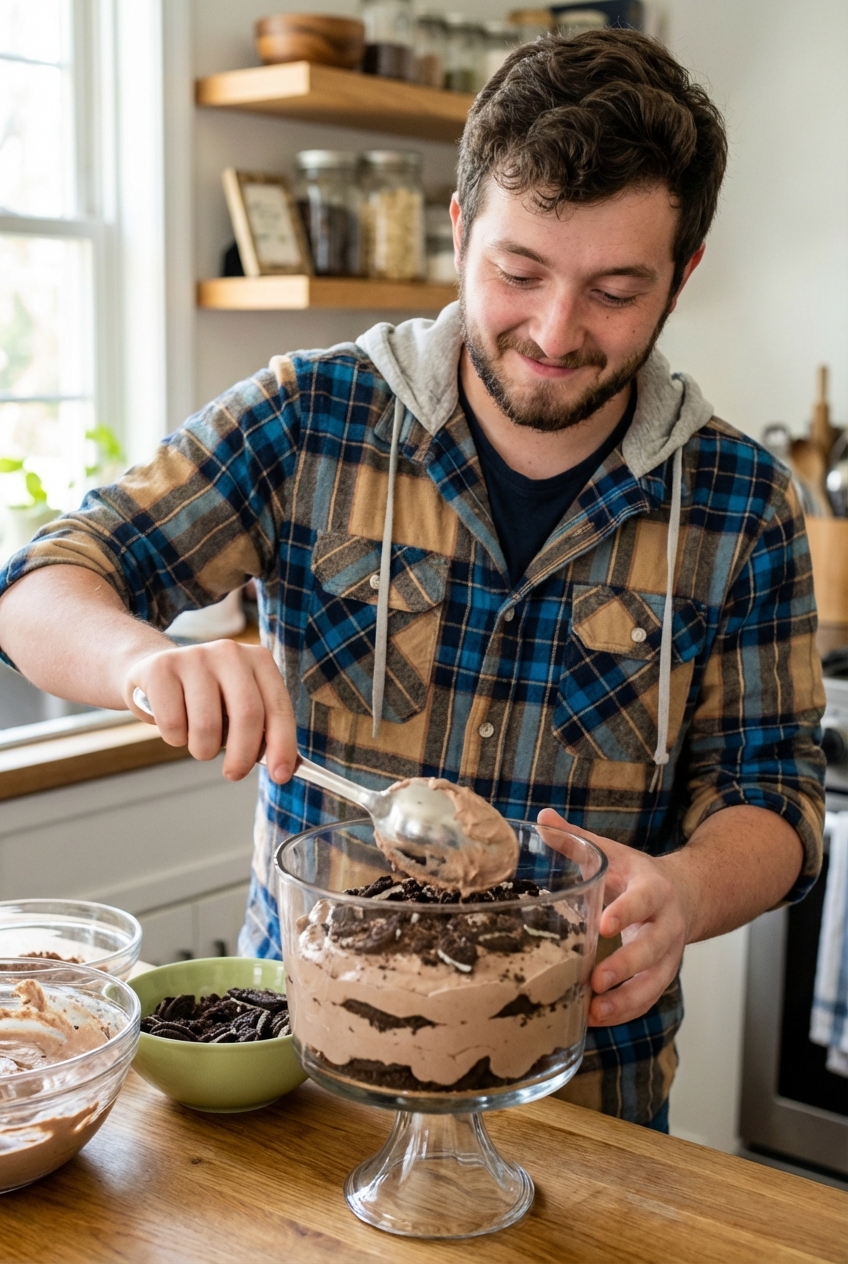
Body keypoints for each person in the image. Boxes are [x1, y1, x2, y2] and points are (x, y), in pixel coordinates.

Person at [0, 30, 825, 1131]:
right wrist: (147, 659)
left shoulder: (740, 504)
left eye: (615, 290)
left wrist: (683, 890)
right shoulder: (309, 419)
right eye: (516, 272)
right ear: (458, 228)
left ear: (682, 275)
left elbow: (774, 799)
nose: (553, 330)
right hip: (303, 1085)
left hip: (582, 1106)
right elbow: (43, 586)